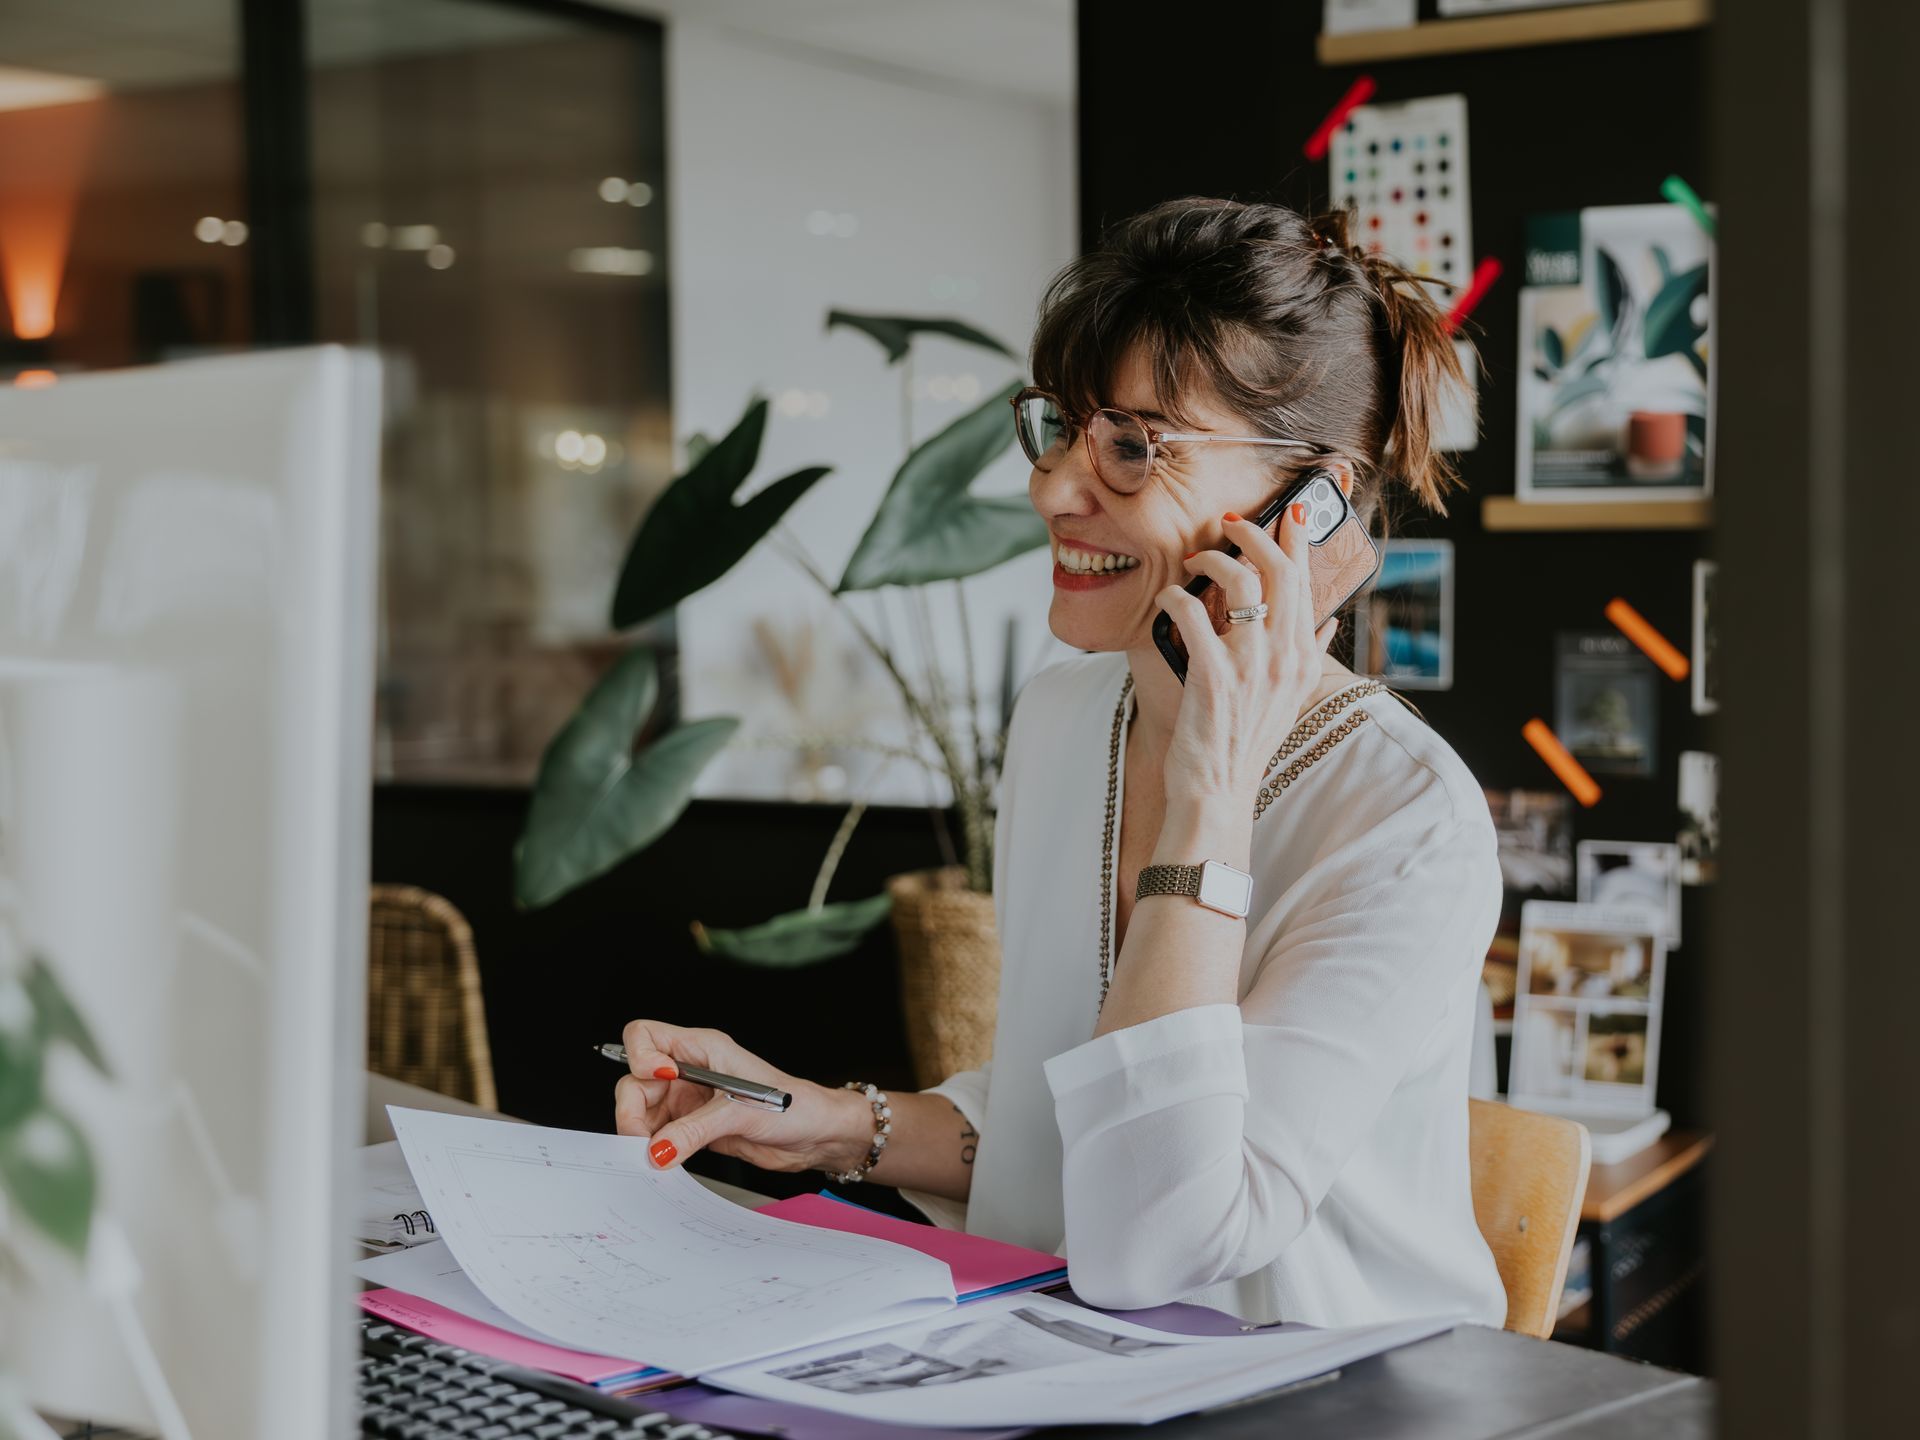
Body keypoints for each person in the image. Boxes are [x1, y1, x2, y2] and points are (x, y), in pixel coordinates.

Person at [616, 198, 1508, 1330]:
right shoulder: (1062, 718)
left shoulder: (1406, 818)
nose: (1052, 491)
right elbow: (1077, 1137)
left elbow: (1160, 1244)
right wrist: (827, 1122)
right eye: (1062, 429)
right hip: (1081, 1362)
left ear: (1311, 500)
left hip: (1346, 1397)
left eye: (1135, 447)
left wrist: (1212, 796)